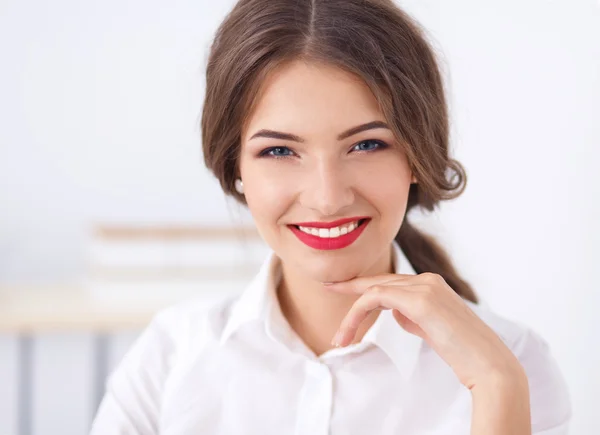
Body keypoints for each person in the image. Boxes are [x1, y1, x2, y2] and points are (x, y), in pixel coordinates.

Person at [89, 0, 572, 433]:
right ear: (235, 166)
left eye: (366, 144)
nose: (326, 198)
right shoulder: (171, 355)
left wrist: (496, 385)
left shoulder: (511, 363)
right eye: (279, 150)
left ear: (415, 157)